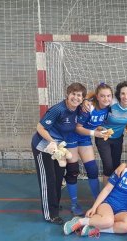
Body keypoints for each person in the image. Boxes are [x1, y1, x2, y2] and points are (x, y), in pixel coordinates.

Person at [31, 82, 87, 224]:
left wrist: (85, 100)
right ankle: (50, 214)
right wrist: (52, 142)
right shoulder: (58, 109)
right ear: (67, 95)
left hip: (59, 147)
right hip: (44, 146)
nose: (76, 97)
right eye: (73, 94)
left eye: (79, 95)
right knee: (48, 180)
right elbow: (40, 127)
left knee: (57, 178)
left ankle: (54, 204)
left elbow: (91, 96)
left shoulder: (78, 108)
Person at [63, 149, 127, 237]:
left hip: (122, 210)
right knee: (108, 221)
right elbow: (107, 189)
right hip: (108, 204)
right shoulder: (122, 171)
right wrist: (94, 207)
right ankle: (80, 221)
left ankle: (97, 228)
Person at [65, 83, 113, 216]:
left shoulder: (108, 108)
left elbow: (95, 124)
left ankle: (98, 200)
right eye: (102, 96)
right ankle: (74, 203)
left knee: (92, 170)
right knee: (73, 170)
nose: (106, 99)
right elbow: (77, 127)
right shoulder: (89, 107)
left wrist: (101, 129)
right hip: (72, 137)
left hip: (85, 139)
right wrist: (94, 133)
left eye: (108, 96)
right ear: (97, 97)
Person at [95, 81, 127, 185]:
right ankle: (105, 194)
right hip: (103, 138)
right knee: (108, 166)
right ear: (118, 95)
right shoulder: (111, 103)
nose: (125, 96)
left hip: (118, 139)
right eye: (123, 93)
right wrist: (101, 128)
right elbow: (95, 114)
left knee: (115, 166)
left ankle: (113, 190)